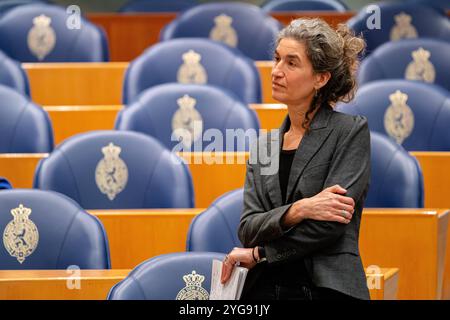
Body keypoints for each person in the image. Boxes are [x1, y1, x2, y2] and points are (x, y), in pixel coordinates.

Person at [220, 18, 370, 300]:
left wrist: (263, 253)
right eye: (277, 59)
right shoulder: (265, 145)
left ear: (320, 78)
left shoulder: (350, 131)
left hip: (327, 285)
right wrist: (298, 209)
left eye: (291, 63)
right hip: (266, 283)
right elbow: (249, 228)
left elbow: (331, 224)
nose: (276, 71)